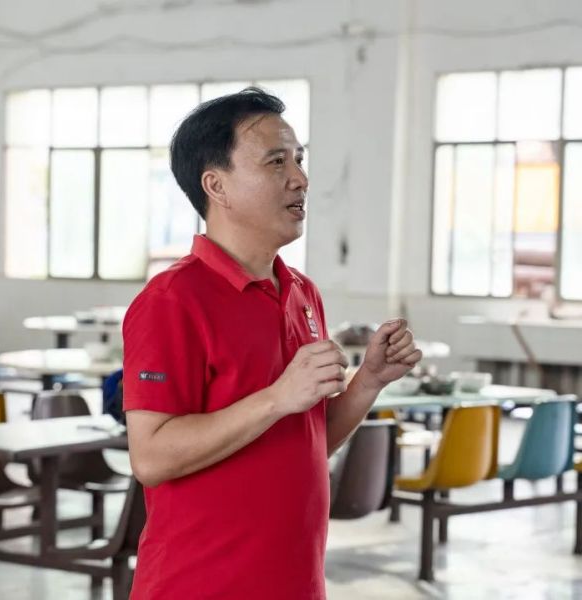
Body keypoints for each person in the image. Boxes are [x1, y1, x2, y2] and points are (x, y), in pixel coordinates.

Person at [123, 87, 422, 599]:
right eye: (276, 161)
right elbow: (151, 457)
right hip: (200, 586)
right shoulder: (172, 300)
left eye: (299, 160)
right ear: (216, 185)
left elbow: (304, 440)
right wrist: (278, 397)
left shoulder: (301, 292)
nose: (300, 178)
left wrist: (367, 382)